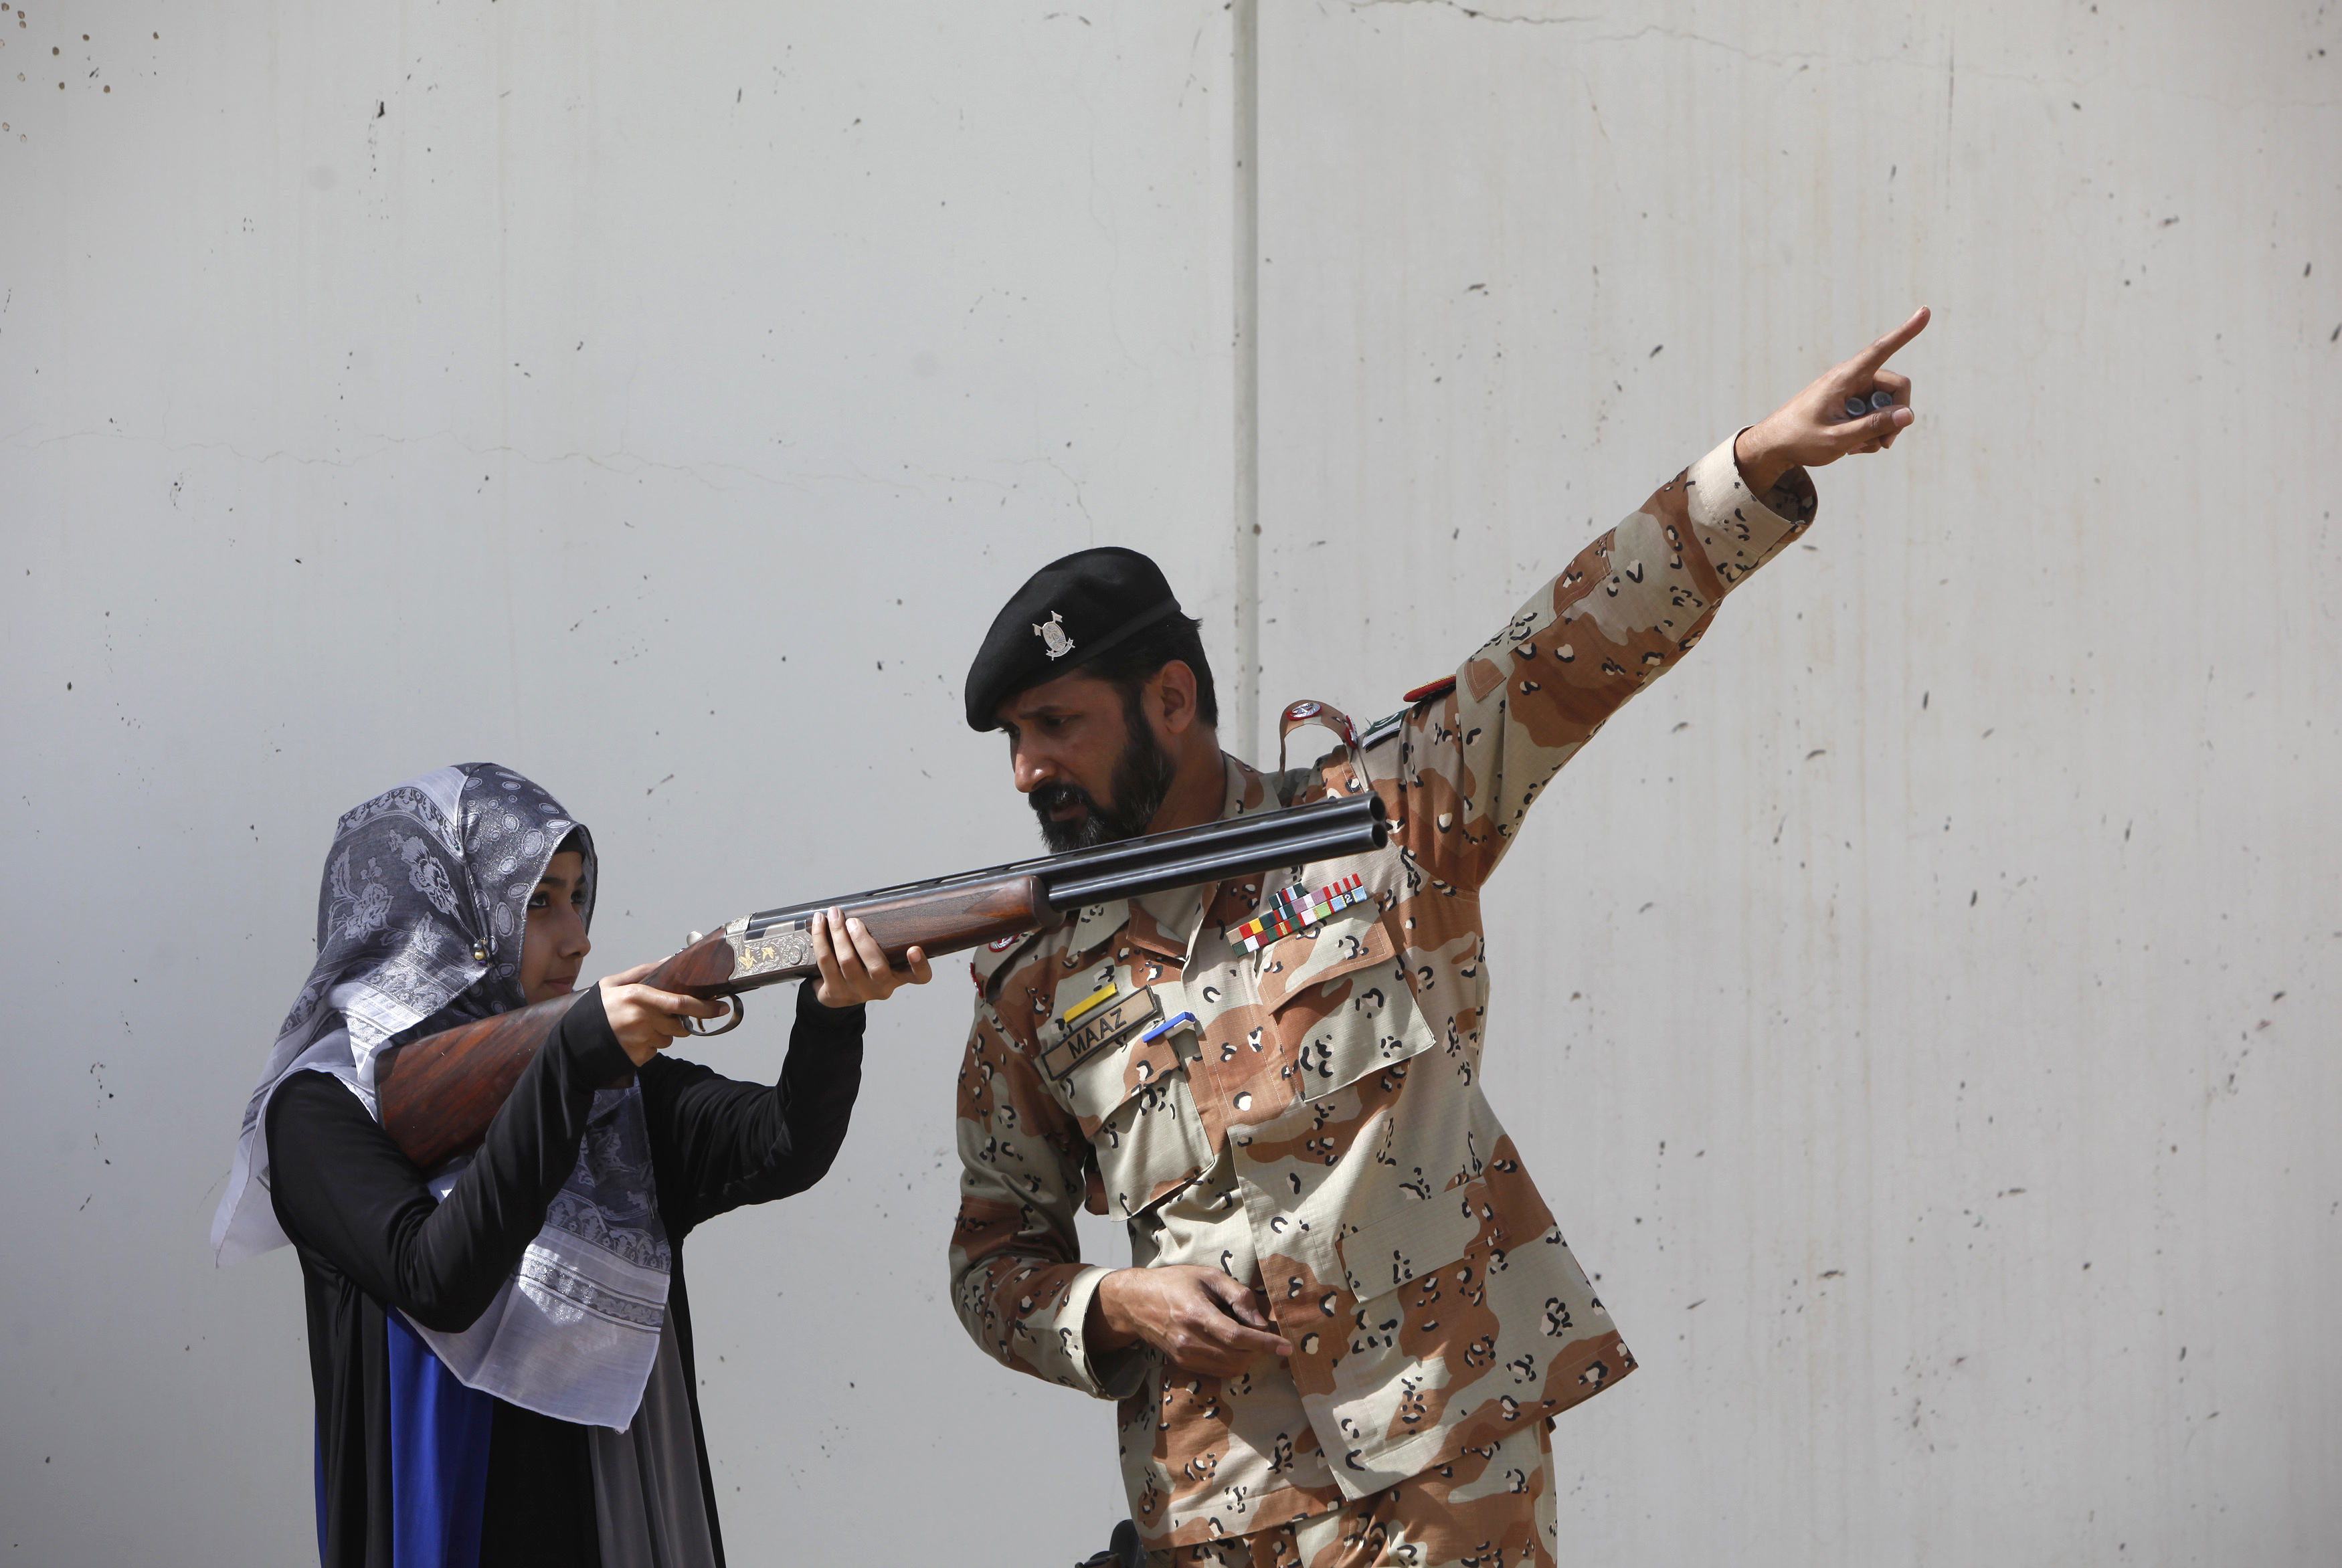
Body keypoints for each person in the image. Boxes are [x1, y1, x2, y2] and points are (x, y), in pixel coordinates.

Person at [949, 312, 1930, 1566]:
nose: (1031, 768)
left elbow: (1559, 656)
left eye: (1055, 723)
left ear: (1173, 701)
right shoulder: (1037, 981)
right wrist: (1113, 1299)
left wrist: (1751, 468)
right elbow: (992, 1262)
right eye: (1014, 743)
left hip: (1447, 1485)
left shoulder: (1382, 823)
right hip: (1222, 1515)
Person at [211, 762, 929, 1567]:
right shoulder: (319, 1107)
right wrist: (571, 1061)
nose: (578, 936)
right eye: (538, 902)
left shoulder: (595, 1072)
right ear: (443, 919)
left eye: (577, 895)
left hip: (610, 1518)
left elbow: (781, 1146)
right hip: (449, 1531)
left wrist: (832, 1013)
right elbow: (435, 1278)